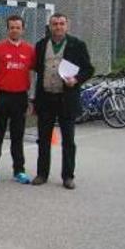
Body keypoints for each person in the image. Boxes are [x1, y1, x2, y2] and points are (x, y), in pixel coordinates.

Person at [31, 12, 94, 190]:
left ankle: (68, 176)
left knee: (68, 139)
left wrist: (76, 80)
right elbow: (37, 70)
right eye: (55, 24)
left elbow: (88, 69)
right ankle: (42, 173)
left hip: (66, 98)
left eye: (61, 24)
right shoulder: (41, 45)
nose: (58, 27)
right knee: (43, 139)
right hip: (46, 98)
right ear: (50, 26)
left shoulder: (77, 45)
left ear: (67, 26)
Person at [0, 15, 35, 184]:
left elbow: (33, 73)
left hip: (20, 97)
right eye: (12, 27)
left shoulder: (30, 49)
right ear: (8, 29)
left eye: (18, 27)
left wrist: (31, 96)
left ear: (23, 29)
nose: (15, 30)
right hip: (1, 95)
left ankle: (19, 170)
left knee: (17, 135)